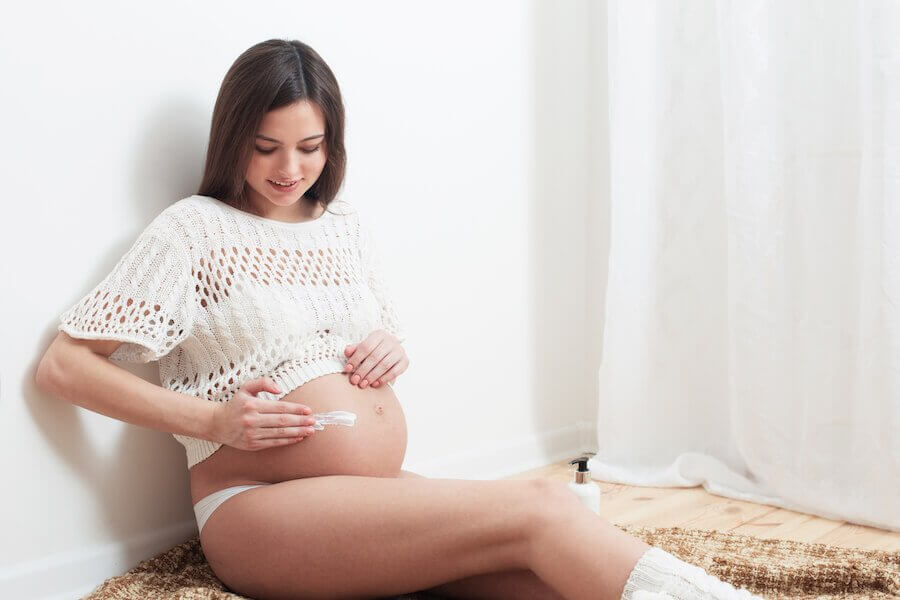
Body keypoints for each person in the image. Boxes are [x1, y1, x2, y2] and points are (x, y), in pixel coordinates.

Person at [35, 39, 764, 600]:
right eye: (266, 147)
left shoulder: (342, 226)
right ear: (233, 139)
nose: (289, 168)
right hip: (258, 509)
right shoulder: (193, 232)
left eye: (310, 147)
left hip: (369, 496)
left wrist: (388, 349)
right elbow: (64, 366)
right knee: (546, 506)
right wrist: (212, 421)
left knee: (549, 570)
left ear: (333, 143)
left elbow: (363, 338)